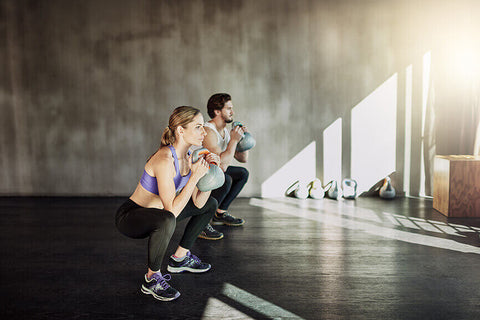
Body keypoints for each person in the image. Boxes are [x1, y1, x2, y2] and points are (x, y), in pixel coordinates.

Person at [115, 106, 220, 302]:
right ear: (181, 130)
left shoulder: (190, 158)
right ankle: (152, 278)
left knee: (211, 204)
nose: (204, 132)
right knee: (165, 220)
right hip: (131, 216)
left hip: (162, 214)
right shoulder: (164, 159)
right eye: (198, 127)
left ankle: (180, 258)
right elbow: (170, 211)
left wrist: (209, 175)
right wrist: (193, 178)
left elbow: (198, 203)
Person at [197, 93, 250, 240]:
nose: (232, 112)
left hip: (216, 170)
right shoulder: (208, 131)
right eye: (229, 109)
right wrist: (233, 140)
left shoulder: (226, 132)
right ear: (217, 111)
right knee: (225, 179)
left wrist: (243, 141)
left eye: (232, 109)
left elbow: (242, 158)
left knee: (242, 173)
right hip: (199, 173)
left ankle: (220, 213)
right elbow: (220, 165)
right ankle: (201, 223)